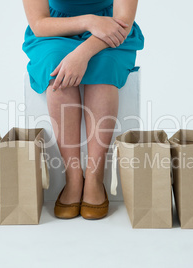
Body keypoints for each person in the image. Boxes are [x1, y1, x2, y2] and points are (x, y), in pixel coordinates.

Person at [22, 0, 144, 220]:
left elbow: (124, 21)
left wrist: (82, 54)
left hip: (110, 29)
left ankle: (95, 176)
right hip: (55, 29)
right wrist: (89, 21)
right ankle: (73, 176)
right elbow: (39, 23)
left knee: (104, 69)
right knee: (57, 70)